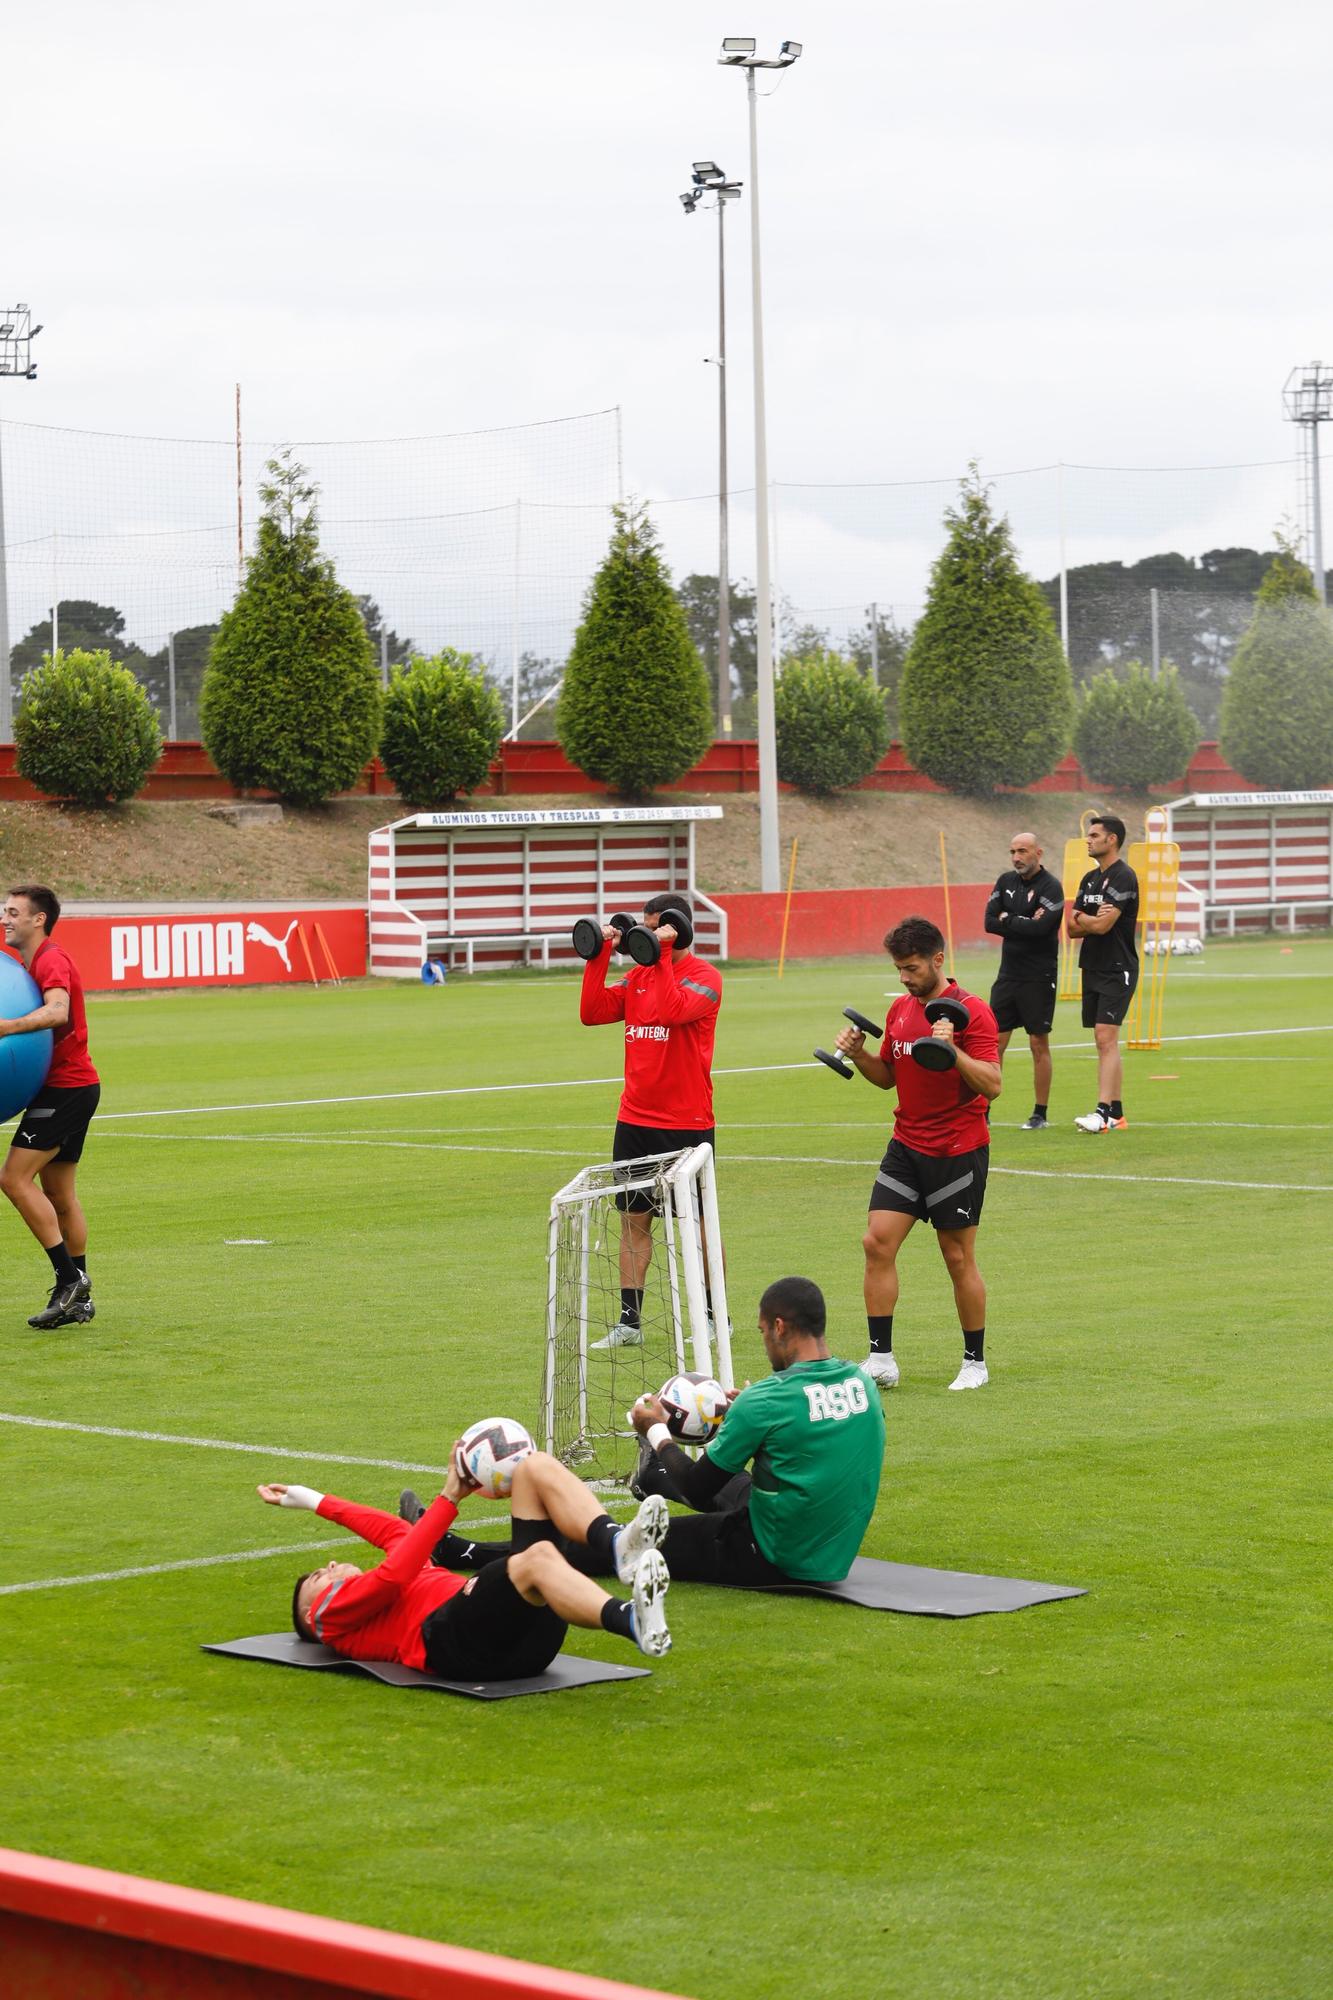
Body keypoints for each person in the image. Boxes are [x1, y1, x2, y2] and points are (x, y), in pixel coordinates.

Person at [408, 1277, 884, 1590]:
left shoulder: (767, 1400)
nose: (764, 1341)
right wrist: (750, 1423)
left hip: (772, 1555)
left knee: (622, 1544)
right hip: (831, 1546)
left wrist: (656, 1430)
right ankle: (654, 1478)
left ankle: (457, 1550)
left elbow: (699, 1489)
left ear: (780, 1327)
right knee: (739, 1485)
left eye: (762, 1331)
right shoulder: (859, 1381)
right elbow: (809, 1436)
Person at [260, 1448, 674, 1679]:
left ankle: (618, 1543)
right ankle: (633, 1620)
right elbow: (393, 1573)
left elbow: (397, 1536)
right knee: (537, 1559)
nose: (329, 1564)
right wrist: (450, 1497)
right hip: (458, 1643)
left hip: (506, 1631)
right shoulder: (328, 1617)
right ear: (311, 1611)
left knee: (534, 1467)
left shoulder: (384, 1588)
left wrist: (315, 1501)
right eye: (317, 1576)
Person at [836, 916, 1001, 1392]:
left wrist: (954, 1053)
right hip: (906, 1145)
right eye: (898, 970)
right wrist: (860, 1054)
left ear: (937, 960)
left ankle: (975, 1363)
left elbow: (993, 1084)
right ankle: (881, 1359)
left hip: (957, 1150)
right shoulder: (901, 1011)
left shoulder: (975, 1012)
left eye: (911, 968)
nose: (904, 978)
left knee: (956, 1256)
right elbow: (888, 1075)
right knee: (876, 1243)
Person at [579, 891, 722, 1348]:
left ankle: (714, 1315)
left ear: (675, 929)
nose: (643, 934)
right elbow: (592, 1011)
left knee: (696, 1227)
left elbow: (672, 1009)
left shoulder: (706, 978)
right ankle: (629, 1323)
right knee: (633, 1220)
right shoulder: (638, 975)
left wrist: (658, 953)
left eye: (655, 927)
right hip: (635, 1119)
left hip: (686, 1123)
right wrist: (599, 953)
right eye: (642, 927)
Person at [0, 885, 101, 1330]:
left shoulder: (51, 959)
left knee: (13, 1178)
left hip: (65, 1089)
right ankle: (77, 1298)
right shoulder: (28, 963)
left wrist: (8, 1027)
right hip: (70, 1087)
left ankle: (68, 1279)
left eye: (13, 912)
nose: (5, 919)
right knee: (59, 1194)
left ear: (37, 919)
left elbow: (57, 1011)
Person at [984, 831, 1065, 1130]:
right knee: (994, 1042)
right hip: (1008, 974)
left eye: (1022, 851)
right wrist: (1021, 921)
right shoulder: (1005, 881)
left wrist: (1009, 919)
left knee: (1037, 1042)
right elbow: (989, 921)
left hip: (1039, 975)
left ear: (1038, 853)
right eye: (1012, 851)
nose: (1016, 857)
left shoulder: (1051, 887)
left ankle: (1039, 1113)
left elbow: (1042, 929)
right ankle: (984, 1110)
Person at [1067, 814, 1139, 1132]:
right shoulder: (1088, 879)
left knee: (1105, 1037)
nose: (1088, 839)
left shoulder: (1124, 877)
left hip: (1117, 968)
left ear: (1112, 839)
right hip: (1092, 966)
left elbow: (1102, 924)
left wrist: (1086, 918)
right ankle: (1117, 1113)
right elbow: (1071, 928)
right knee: (1103, 1041)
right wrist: (1087, 920)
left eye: (1095, 835)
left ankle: (1101, 1113)